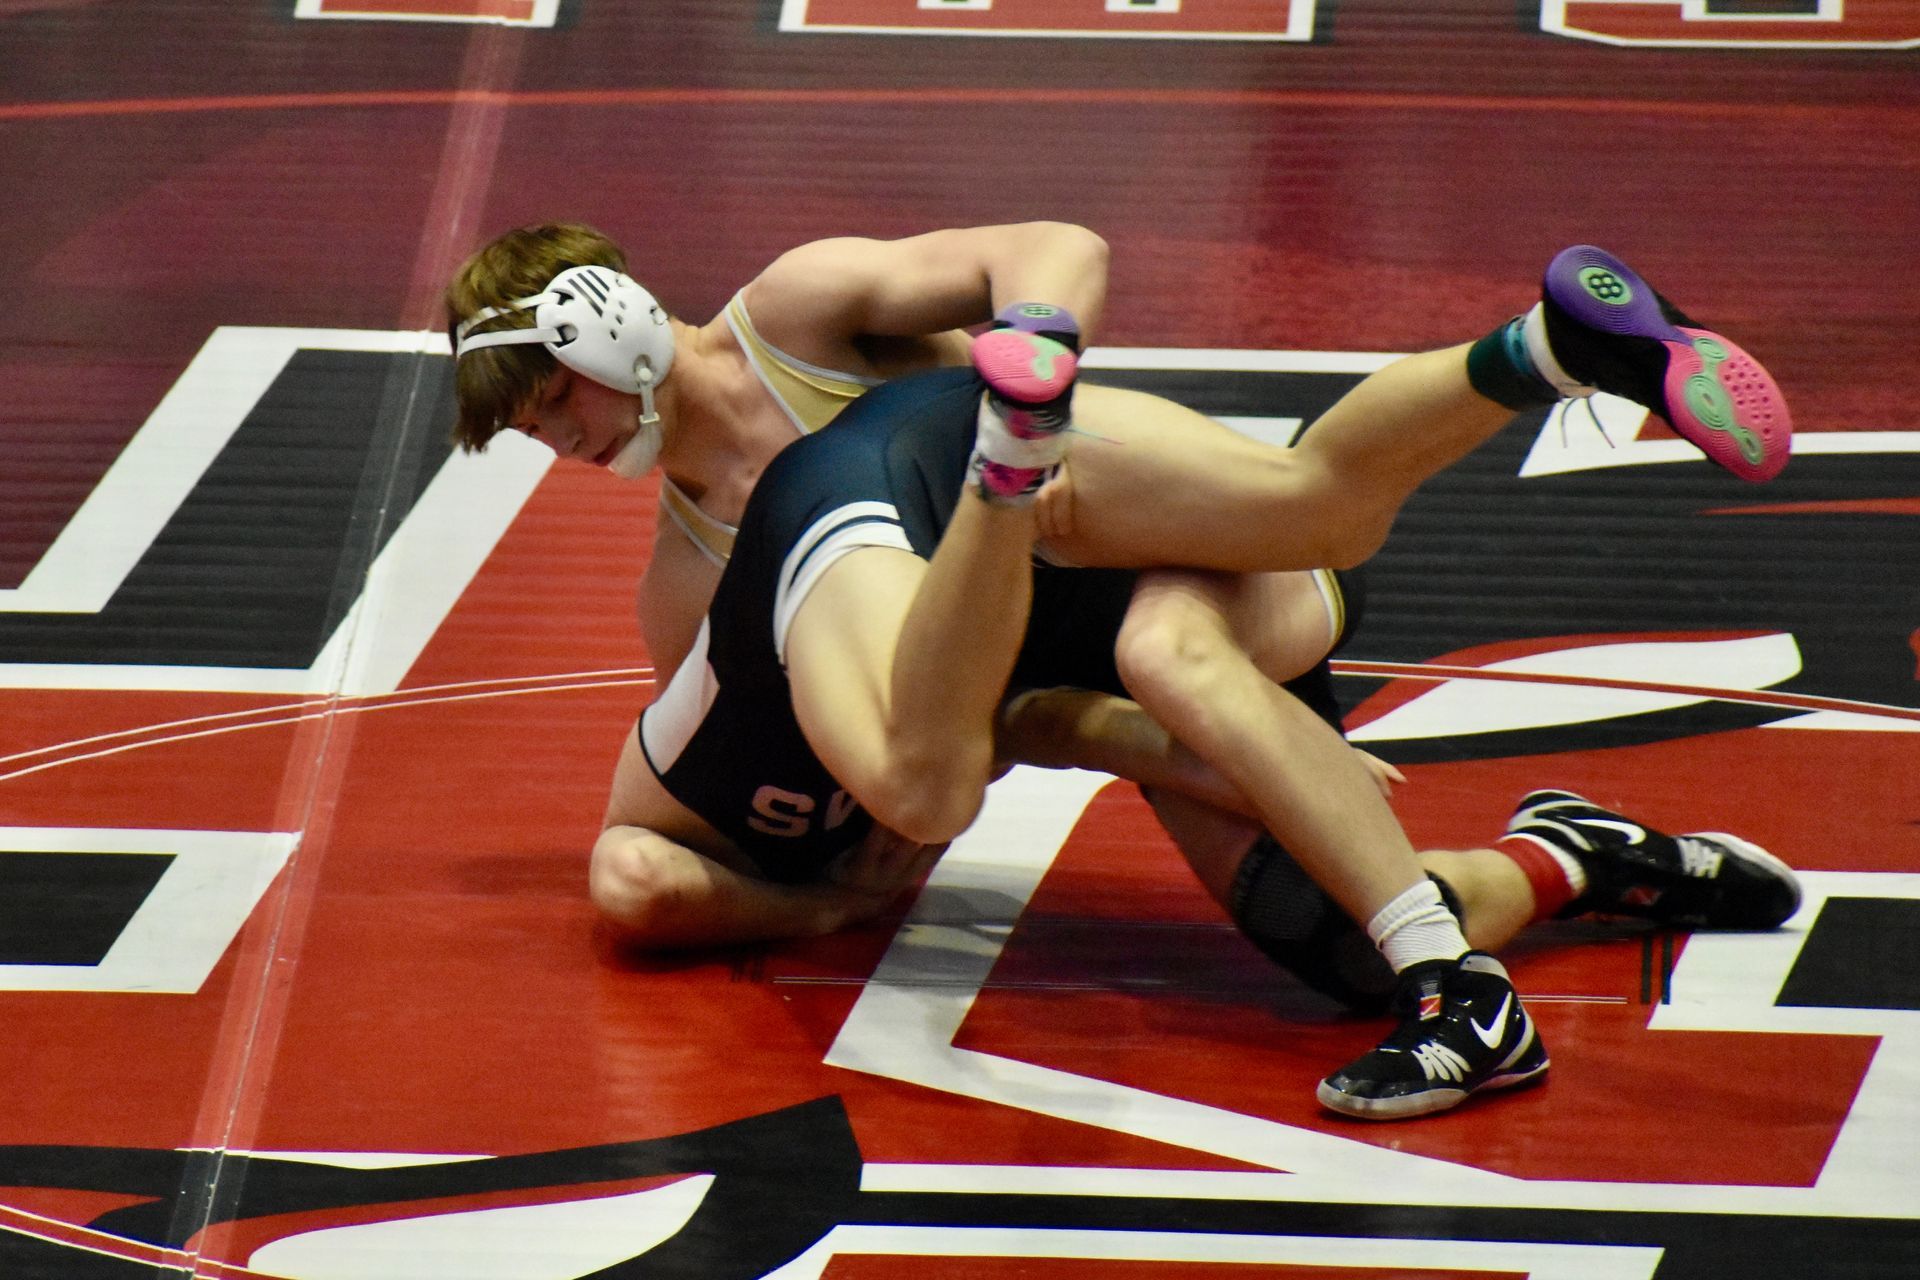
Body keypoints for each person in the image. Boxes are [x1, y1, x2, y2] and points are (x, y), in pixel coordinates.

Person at [443, 225, 1795, 1117]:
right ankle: (1575, 852)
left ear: (595, 323)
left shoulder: (796, 312)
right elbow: (1005, 722)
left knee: (1242, 574)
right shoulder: (686, 586)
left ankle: (1453, 981)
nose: (555, 438)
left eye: (549, 401)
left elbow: (1056, 247)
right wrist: (1188, 754)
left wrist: (1037, 338)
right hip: (1050, 600)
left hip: (1124, 542)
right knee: (1318, 941)